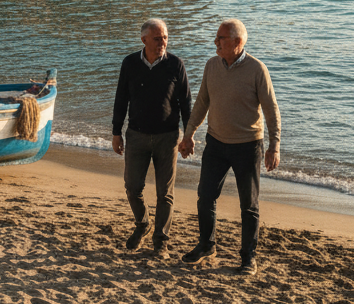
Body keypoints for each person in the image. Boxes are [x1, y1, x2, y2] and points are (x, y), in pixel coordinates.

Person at [178, 19, 280, 276]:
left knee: (249, 204)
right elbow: (202, 102)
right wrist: (188, 134)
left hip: (247, 146)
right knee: (205, 197)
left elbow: (271, 110)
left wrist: (274, 145)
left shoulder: (258, 70)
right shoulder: (212, 65)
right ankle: (207, 245)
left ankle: (248, 257)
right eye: (216, 37)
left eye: (220, 39)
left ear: (237, 42)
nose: (216, 43)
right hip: (216, 143)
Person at [111, 18, 192, 255]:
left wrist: (188, 136)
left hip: (168, 138)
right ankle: (143, 224)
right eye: (157, 38)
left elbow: (186, 104)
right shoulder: (129, 63)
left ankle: (161, 241)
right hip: (136, 136)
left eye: (165, 37)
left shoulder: (176, 65)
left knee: (164, 193)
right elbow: (120, 100)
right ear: (144, 39)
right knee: (132, 187)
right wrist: (116, 133)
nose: (162, 42)